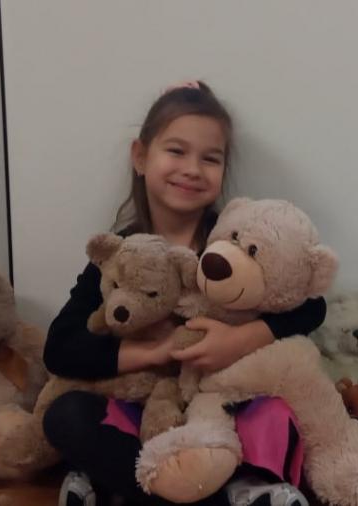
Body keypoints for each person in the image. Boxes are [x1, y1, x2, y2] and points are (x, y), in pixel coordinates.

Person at [42, 81, 325, 506]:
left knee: (279, 412)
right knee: (67, 415)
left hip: (218, 413)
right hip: (147, 417)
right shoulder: (121, 253)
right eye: (176, 151)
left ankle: (173, 489)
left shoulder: (233, 242)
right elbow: (61, 348)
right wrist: (157, 352)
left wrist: (239, 340)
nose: (192, 169)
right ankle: (203, 497)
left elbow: (311, 307)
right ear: (141, 157)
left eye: (210, 158)